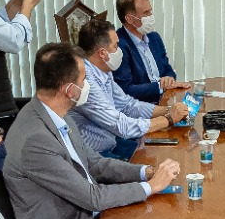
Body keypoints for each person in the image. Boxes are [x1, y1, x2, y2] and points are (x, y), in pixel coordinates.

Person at [3, 43, 181, 219]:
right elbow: (91, 197)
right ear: (69, 89)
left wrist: (145, 172)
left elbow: (95, 164)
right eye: (85, 79)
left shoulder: (55, 114)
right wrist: (152, 187)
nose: (88, 86)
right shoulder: (35, 140)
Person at [71, 18, 189, 160]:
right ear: (102, 53)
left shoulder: (103, 71)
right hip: (95, 157)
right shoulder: (85, 81)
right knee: (157, 166)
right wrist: (168, 119)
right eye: (116, 46)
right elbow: (122, 126)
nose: (119, 51)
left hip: (113, 144)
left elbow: (128, 105)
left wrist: (169, 110)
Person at [111, 0, 189, 103]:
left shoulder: (154, 38)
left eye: (150, 11)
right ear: (129, 19)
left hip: (164, 101)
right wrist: (160, 86)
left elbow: (167, 69)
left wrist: (169, 78)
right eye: (145, 13)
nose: (151, 17)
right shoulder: (117, 45)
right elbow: (125, 90)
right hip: (139, 110)